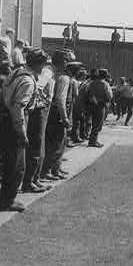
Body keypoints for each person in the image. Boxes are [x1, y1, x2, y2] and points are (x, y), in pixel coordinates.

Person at [0, 48, 49, 212]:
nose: (44, 67)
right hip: (16, 121)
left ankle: (4, 198)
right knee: (17, 166)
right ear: (38, 64)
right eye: (43, 64)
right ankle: (8, 200)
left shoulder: (17, 72)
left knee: (10, 164)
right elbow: (19, 108)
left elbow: (2, 91)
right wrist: (22, 133)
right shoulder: (27, 81)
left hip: (5, 118)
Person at [22, 50, 55, 193]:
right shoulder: (40, 74)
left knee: (39, 147)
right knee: (36, 146)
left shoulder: (40, 72)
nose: (44, 67)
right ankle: (29, 181)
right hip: (37, 110)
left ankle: (34, 179)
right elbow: (38, 89)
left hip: (40, 109)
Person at [40, 49, 74, 181]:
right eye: (65, 60)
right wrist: (64, 117)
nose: (67, 63)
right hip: (57, 113)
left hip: (54, 111)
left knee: (60, 142)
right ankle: (48, 169)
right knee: (55, 142)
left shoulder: (57, 75)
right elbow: (60, 99)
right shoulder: (59, 77)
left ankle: (55, 168)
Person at [85, 69, 113, 148]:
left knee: (93, 123)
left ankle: (92, 139)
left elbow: (88, 92)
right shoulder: (105, 84)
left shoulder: (92, 83)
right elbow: (110, 95)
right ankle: (93, 141)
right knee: (98, 124)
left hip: (92, 104)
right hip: (100, 105)